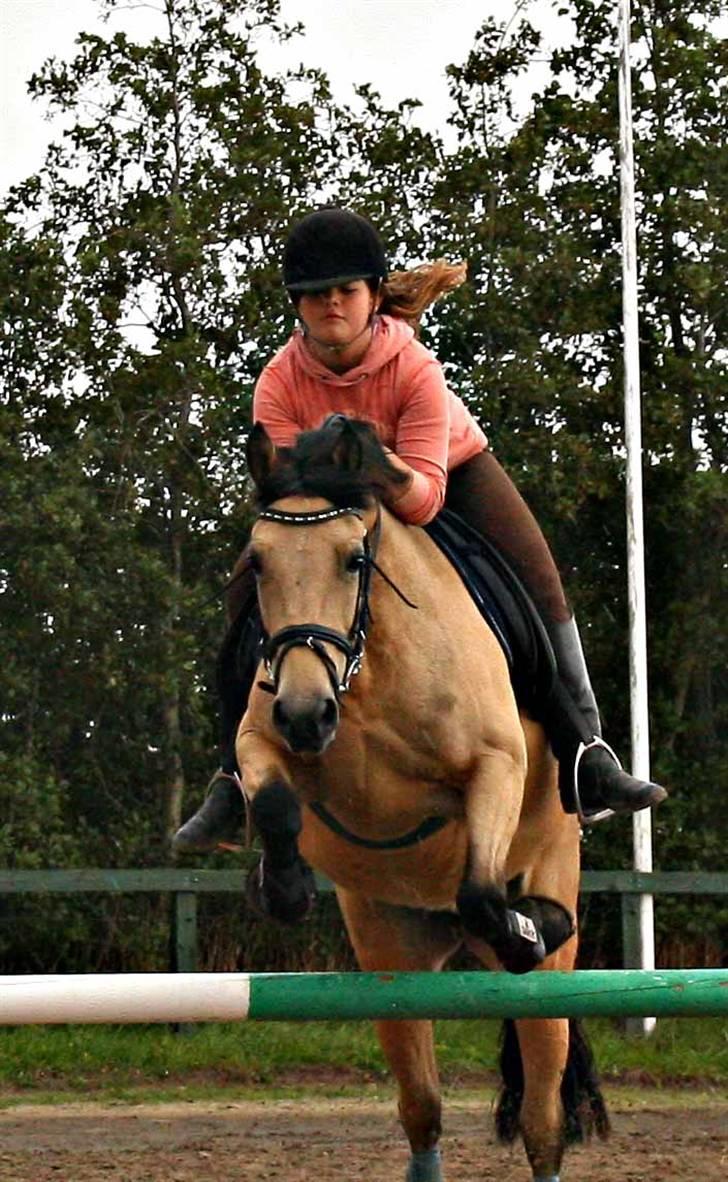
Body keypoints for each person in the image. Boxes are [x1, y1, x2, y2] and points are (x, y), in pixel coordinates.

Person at [173, 208, 666, 853]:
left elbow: (428, 500)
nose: (331, 305)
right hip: (331, 509)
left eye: (345, 292)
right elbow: (287, 495)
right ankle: (233, 778)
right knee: (248, 587)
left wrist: (380, 464)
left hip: (449, 477)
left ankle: (586, 755)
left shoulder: (415, 370)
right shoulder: (279, 381)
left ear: (374, 297)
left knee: (536, 583)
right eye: (316, 295)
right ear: (297, 305)